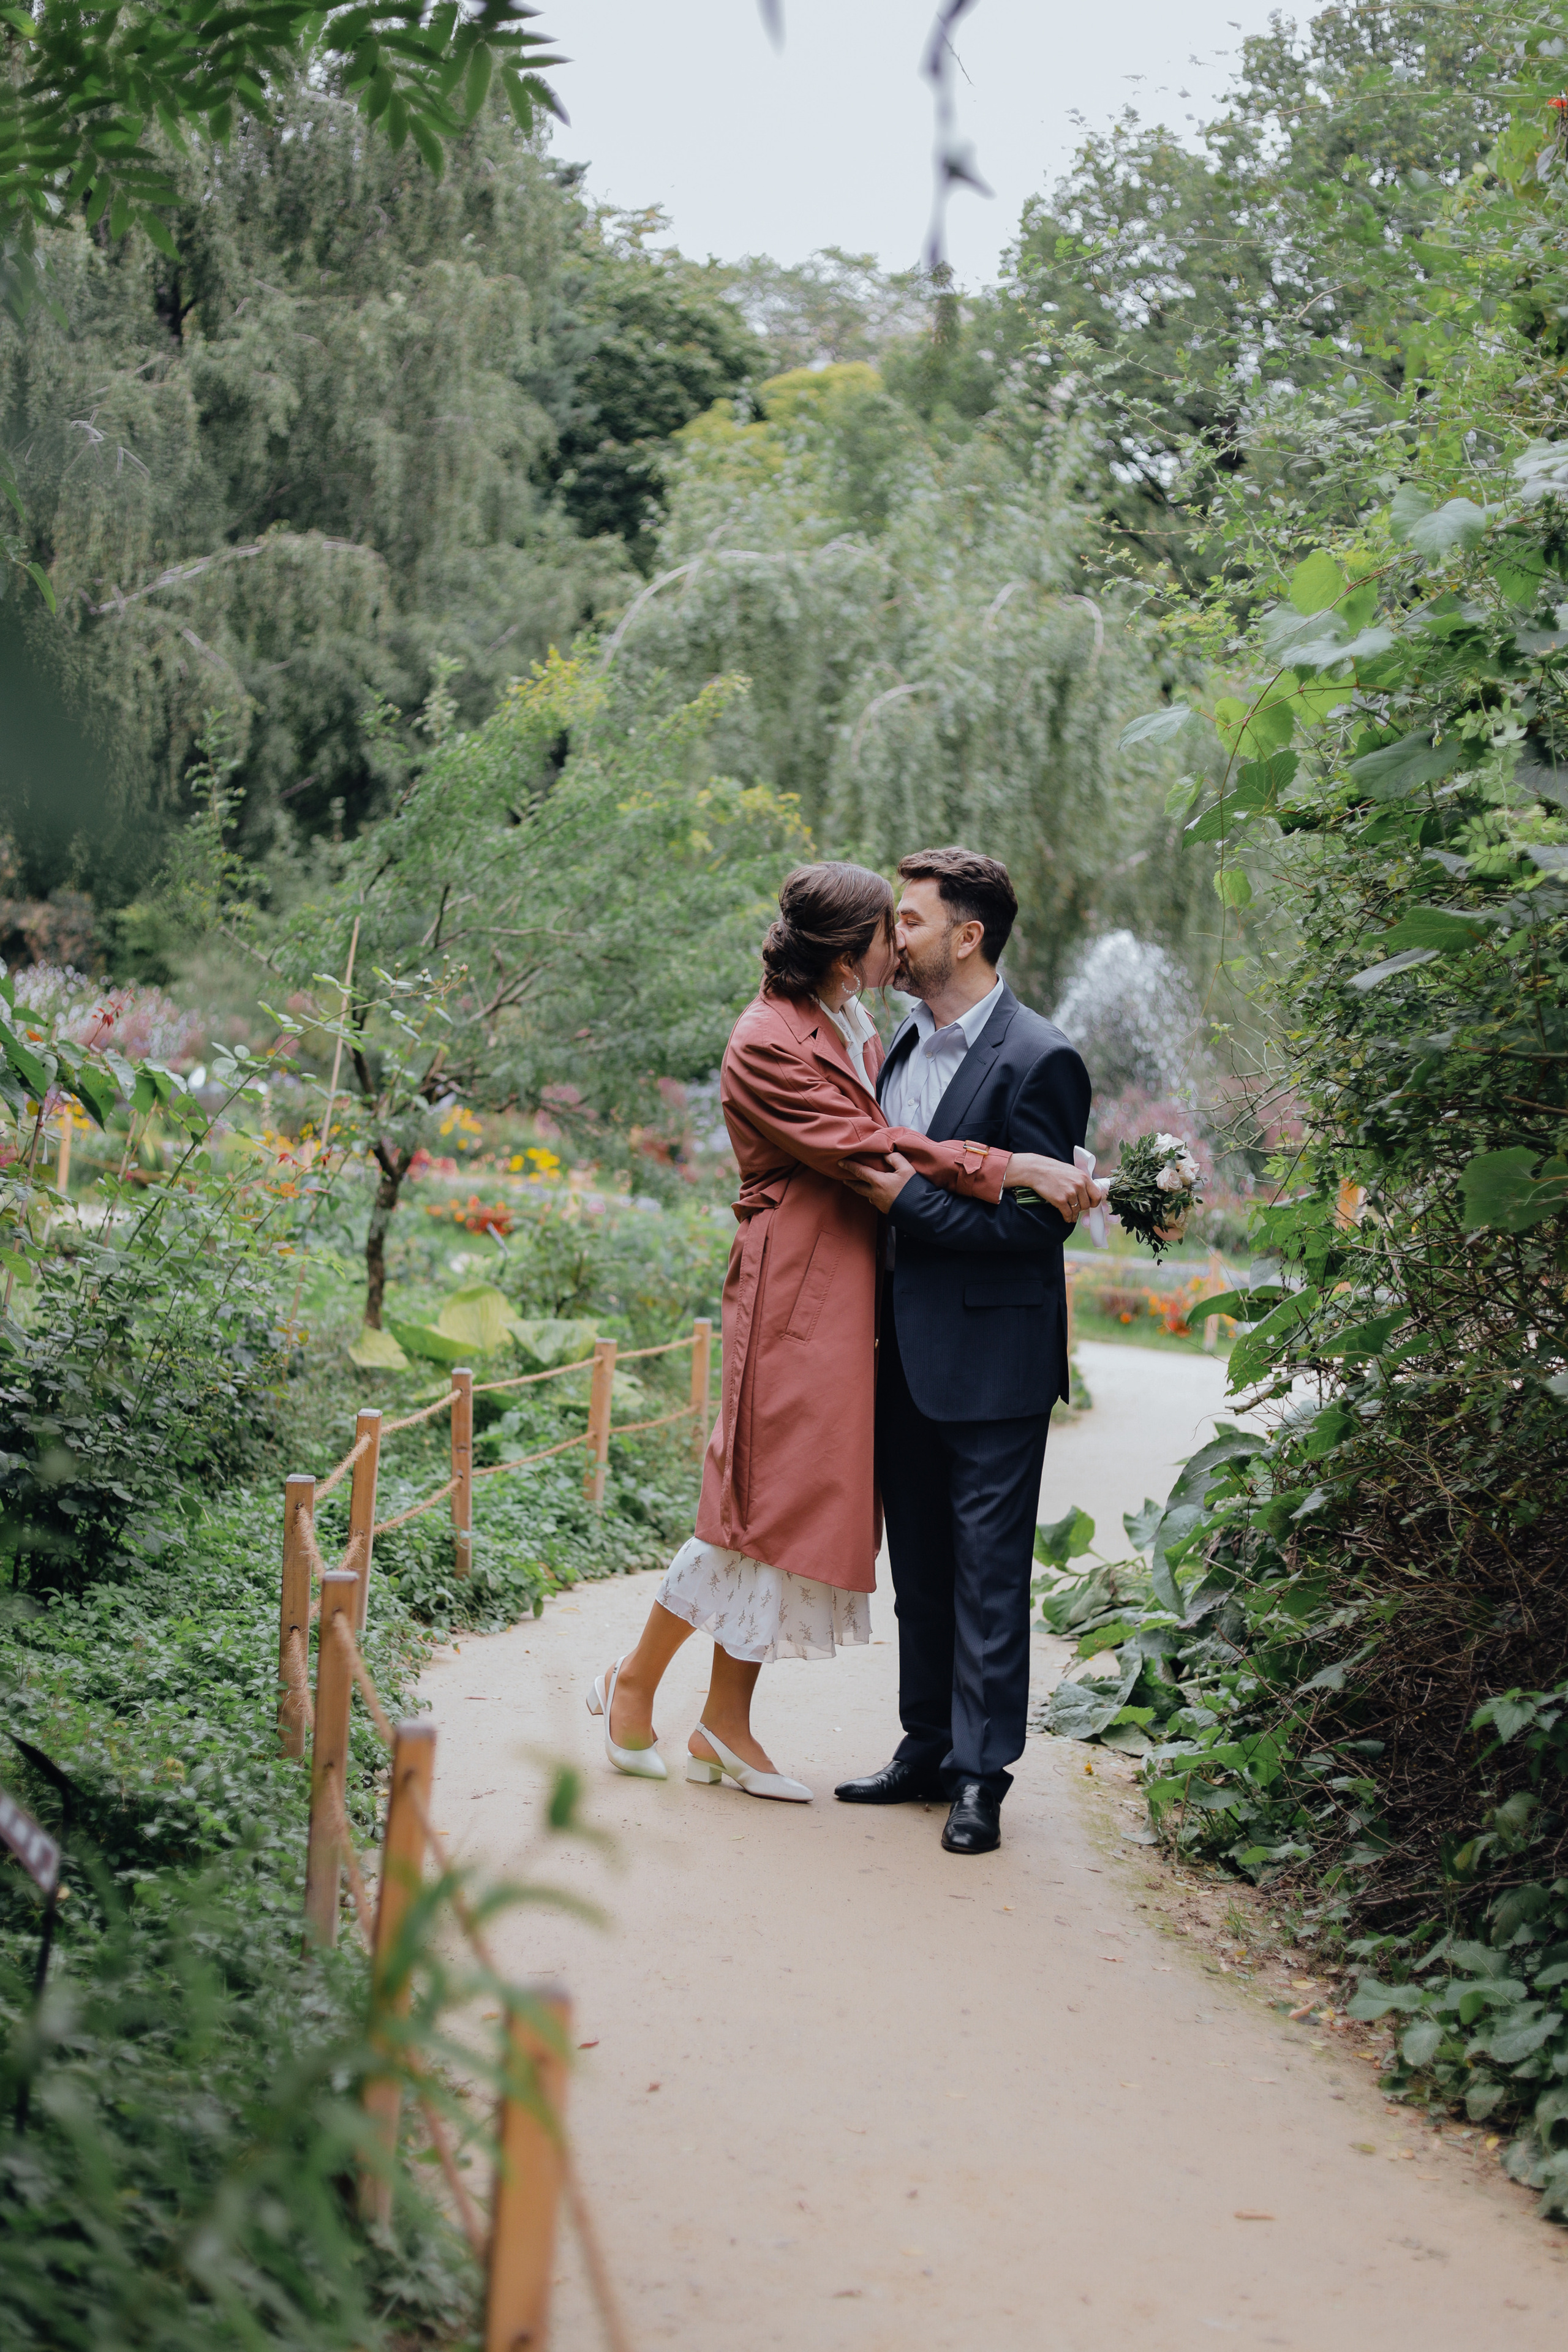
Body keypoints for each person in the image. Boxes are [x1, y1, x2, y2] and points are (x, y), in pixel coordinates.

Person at [587, 859, 1097, 1801]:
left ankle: (731, 1722)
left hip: (869, 1311)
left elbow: (897, 1153)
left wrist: (1044, 1179)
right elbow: (872, 1152)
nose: (897, 944)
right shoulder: (774, 1038)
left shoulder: (861, 1027)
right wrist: (1017, 1164)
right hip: (797, 1297)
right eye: (885, 929)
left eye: (909, 923)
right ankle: (644, 1687)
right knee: (752, 1505)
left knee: (779, 1508)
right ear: (845, 948)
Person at [835, 847, 1091, 1856]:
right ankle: (927, 1745)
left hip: (992, 1361)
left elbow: (1034, 1229)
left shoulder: (1042, 1058)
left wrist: (908, 1201)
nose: (891, 938)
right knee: (923, 1569)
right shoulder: (896, 1047)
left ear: (967, 935)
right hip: (894, 1352)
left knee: (990, 1574)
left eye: (907, 920)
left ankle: (983, 1778)